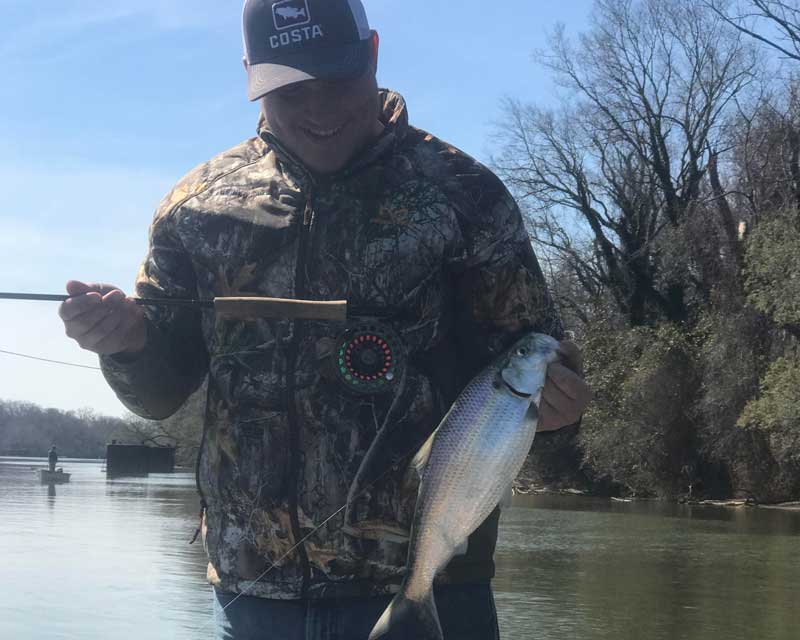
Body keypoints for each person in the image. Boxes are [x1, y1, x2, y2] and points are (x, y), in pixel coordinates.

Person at [58, 1, 592, 638]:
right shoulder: (195, 210)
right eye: (290, 88)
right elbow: (159, 392)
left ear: (371, 55)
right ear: (251, 74)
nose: (319, 110)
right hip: (252, 592)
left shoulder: (465, 196)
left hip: (436, 588)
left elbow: (531, 354)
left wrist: (562, 405)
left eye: (337, 80)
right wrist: (126, 345)